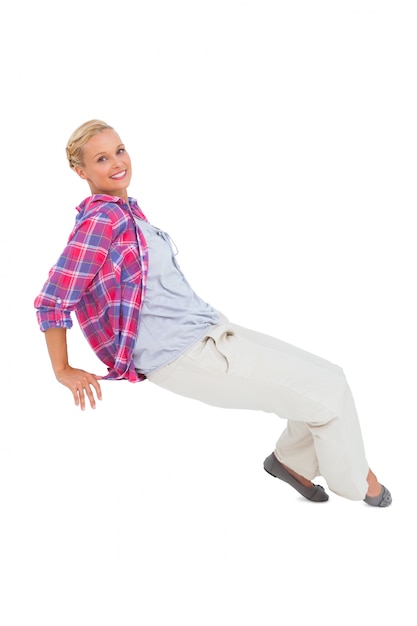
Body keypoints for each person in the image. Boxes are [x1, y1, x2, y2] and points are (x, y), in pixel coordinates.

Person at [34, 119, 392, 508]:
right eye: (101, 158)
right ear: (80, 171)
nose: (117, 163)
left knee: (328, 378)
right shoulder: (101, 221)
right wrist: (62, 369)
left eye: (120, 150)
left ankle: (292, 463)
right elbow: (53, 298)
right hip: (185, 354)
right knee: (328, 393)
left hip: (208, 332)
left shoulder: (127, 213)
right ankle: (361, 484)